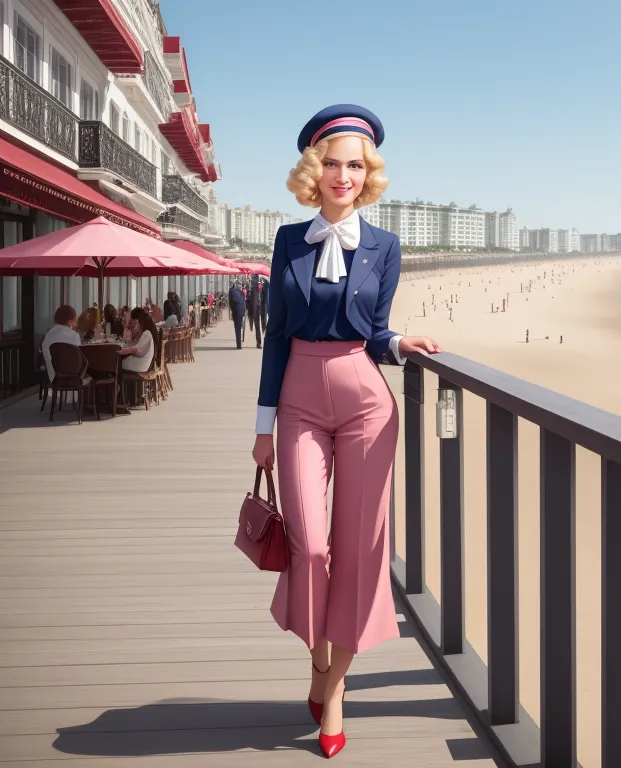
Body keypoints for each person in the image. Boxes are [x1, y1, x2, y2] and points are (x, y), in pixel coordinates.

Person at [250, 104, 440, 759]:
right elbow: (276, 335)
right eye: (331, 162)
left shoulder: (385, 246)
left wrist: (398, 341)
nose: (342, 175)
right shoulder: (286, 242)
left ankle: (332, 689)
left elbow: (378, 327)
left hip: (365, 398)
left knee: (360, 550)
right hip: (299, 394)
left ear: (369, 173)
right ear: (314, 169)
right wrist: (264, 425)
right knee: (312, 545)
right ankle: (318, 657)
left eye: (354, 164)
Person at [41, 304, 80, 383]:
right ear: (70, 322)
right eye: (75, 322)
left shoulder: (48, 335)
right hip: (73, 377)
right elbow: (79, 358)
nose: (75, 325)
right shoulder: (74, 335)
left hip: (53, 378)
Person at [119, 307, 156, 373]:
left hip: (140, 366)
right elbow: (136, 347)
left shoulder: (147, 333)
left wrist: (117, 351)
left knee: (114, 363)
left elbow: (134, 349)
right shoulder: (147, 333)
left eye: (132, 322)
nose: (130, 324)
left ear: (137, 322)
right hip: (141, 364)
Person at [246, 275, 263, 349]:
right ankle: (258, 343)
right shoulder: (249, 283)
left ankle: (258, 342)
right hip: (253, 305)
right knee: (255, 324)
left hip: (255, 306)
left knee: (256, 324)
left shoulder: (257, 284)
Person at [228, 282, 246, 348]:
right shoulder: (239, 292)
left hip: (236, 312)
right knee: (238, 328)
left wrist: (232, 311)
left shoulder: (232, 292)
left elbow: (231, 303)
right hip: (240, 311)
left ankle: (239, 345)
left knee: (237, 329)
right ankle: (239, 344)